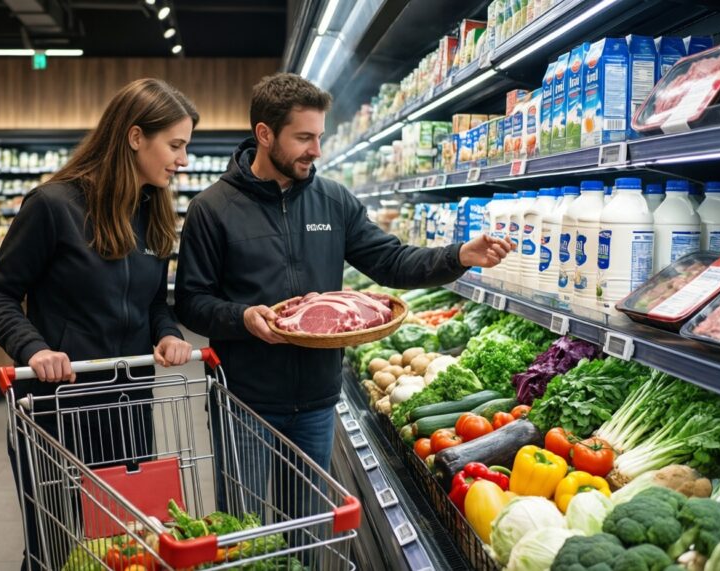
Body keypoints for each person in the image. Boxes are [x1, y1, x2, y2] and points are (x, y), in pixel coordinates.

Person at [175, 73, 512, 521]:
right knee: (245, 528)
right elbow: (191, 301)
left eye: (320, 136)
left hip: (316, 399)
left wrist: (459, 256)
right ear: (264, 134)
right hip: (244, 401)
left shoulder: (333, 201)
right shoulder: (212, 209)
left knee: (311, 529)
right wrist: (242, 318)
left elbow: (390, 261)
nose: (316, 150)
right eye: (304, 137)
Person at [0, 78, 197, 569]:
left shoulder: (153, 210)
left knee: (122, 547)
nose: (182, 160)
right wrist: (34, 349)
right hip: (58, 409)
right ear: (136, 136)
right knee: (53, 546)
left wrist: (167, 332)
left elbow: (152, 302)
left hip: (128, 405)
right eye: (176, 145)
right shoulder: (53, 206)